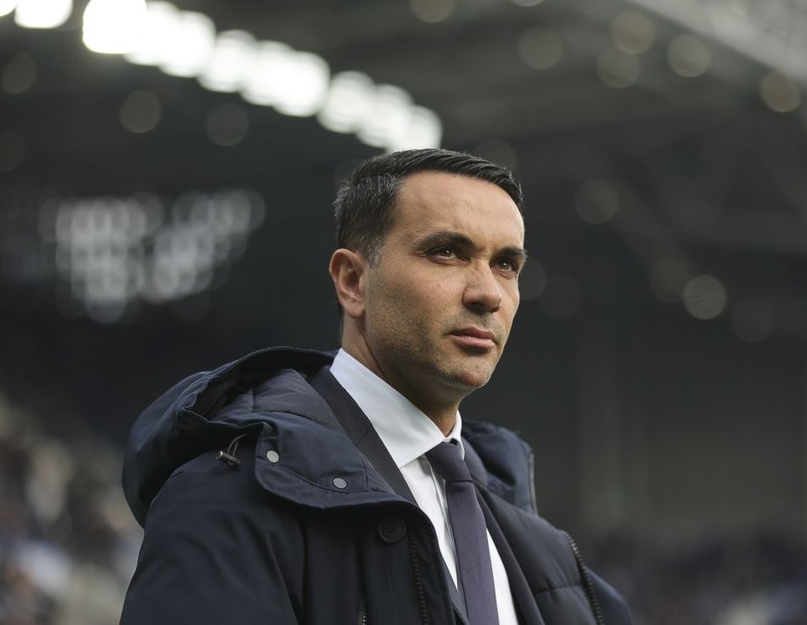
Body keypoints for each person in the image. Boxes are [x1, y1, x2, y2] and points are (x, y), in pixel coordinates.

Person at [120, 149, 632, 625]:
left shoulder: (545, 551)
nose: (488, 293)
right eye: (447, 252)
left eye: (506, 265)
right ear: (352, 281)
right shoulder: (228, 495)